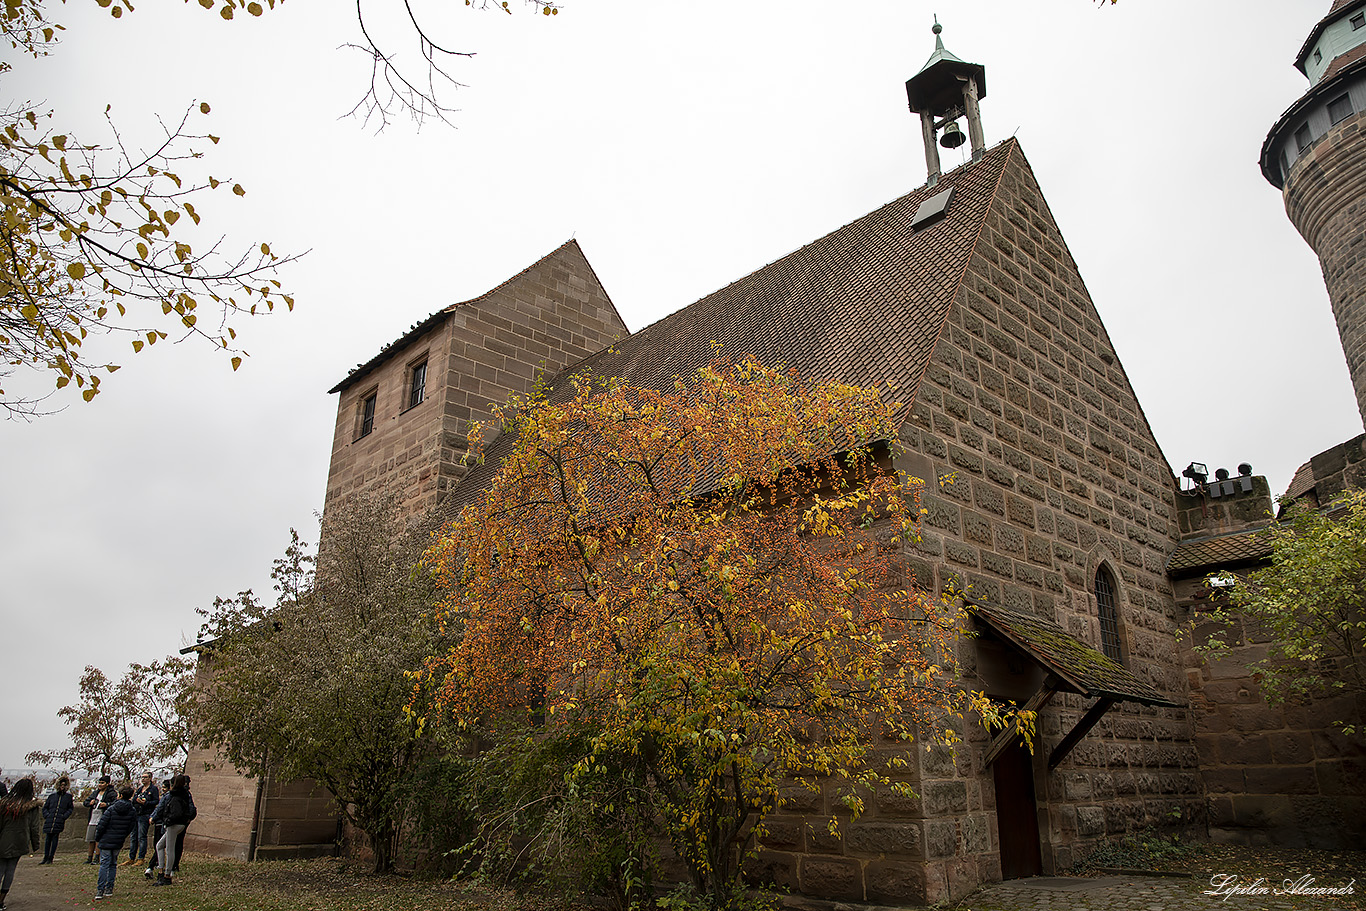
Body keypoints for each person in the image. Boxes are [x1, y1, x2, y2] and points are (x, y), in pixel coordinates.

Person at [0, 778, 43, 911]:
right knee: (10, 870)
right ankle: (1, 900)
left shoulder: (4, 804)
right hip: (20, 840)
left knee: (0, 869)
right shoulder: (31, 807)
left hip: (3, 840)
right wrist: (35, 845)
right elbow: (34, 828)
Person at [92, 787, 136, 901]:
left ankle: (100, 889)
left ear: (120, 795)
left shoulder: (111, 809)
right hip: (118, 840)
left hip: (106, 839)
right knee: (113, 864)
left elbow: (102, 824)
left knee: (104, 864)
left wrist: (98, 837)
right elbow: (130, 826)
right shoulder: (132, 810)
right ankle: (109, 888)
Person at [151, 775, 194, 886]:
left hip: (173, 824)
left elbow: (174, 812)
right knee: (160, 845)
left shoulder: (174, 796)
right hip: (179, 824)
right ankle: (161, 870)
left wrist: (167, 820)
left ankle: (166, 875)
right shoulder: (186, 795)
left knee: (169, 850)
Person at [124, 773, 158, 867]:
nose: (143, 779)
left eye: (145, 777)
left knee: (142, 837)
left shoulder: (153, 789)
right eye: (142, 777)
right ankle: (131, 857)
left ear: (150, 778)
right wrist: (137, 800)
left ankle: (141, 858)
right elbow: (134, 799)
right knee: (133, 836)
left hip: (145, 815)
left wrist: (145, 802)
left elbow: (155, 801)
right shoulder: (140, 789)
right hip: (136, 814)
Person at [38, 777, 74, 864]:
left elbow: (70, 808)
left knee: (54, 839)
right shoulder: (52, 796)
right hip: (50, 820)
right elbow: (45, 808)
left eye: (64, 785)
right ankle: (45, 857)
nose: (62, 787)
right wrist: (47, 815)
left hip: (59, 821)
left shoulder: (68, 797)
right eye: (61, 785)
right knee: (47, 840)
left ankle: (50, 857)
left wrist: (63, 816)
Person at [82, 776, 115, 865]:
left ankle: (97, 857)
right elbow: (85, 802)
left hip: (102, 819)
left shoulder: (111, 793)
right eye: (99, 783)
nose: (100, 785)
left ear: (107, 784)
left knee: (98, 839)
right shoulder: (95, 793)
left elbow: (115, 803)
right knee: (91, 839)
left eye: (102, 783)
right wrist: (90, 803)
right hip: (92, 818)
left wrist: (106, 804)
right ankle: (89, 857)